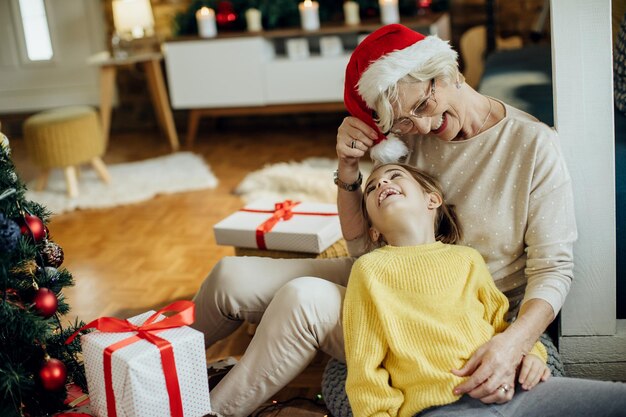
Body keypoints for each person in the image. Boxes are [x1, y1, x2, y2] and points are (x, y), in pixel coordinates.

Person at [192, 24, 577, 416]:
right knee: (229, 278)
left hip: (443, 311)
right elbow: (363, 248)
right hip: (385, 272)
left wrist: (515, 343)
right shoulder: (405, 135)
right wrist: (347, 168)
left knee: (303, 300)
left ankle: (212, 412)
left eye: (424, 106)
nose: (423, 128)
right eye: (405, 121)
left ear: (447, 72)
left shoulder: (533, 145)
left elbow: (554, 269)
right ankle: (155, 365)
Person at [343, 163, 626, 417]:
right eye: (371, 188)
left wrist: (533, 357)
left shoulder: (467, 259)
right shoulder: (369, 270)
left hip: (517, 392)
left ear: (432, 200)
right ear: (374, 232)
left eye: (394, 176)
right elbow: (364, 368)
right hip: (443, 407)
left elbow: (500, 325)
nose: (381, 184)